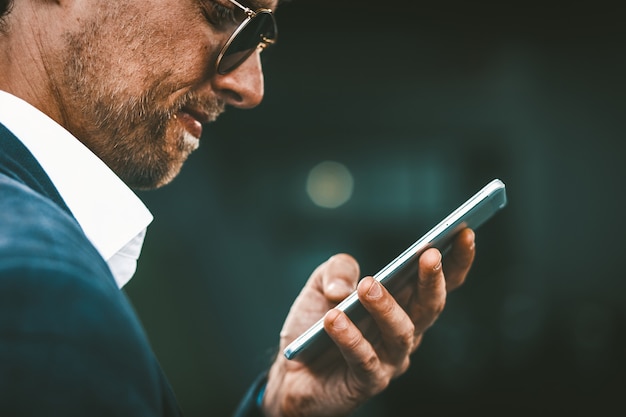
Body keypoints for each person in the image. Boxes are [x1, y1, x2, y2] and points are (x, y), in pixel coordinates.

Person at [0, 0, 477, 416]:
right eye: (224, 12)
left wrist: (278, 409)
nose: (249, 87)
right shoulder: (39, 285)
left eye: (260, 37)